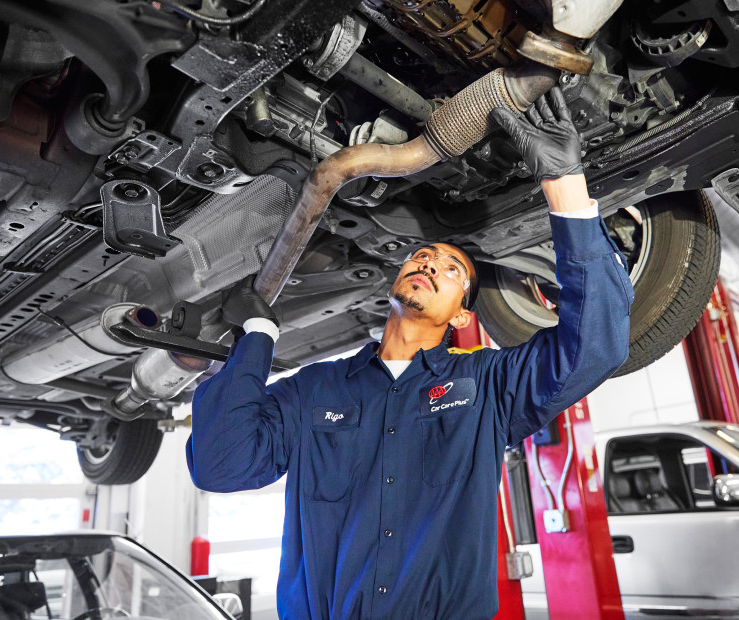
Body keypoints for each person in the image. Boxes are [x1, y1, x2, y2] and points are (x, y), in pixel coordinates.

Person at [187, 86, 634, 620]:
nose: (429, 265)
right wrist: (258, 333)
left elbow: (596, 347)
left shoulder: (487, 388)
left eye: (452, 270)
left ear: (463, 315)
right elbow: (220, 464)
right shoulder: (313, 391)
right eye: (422, 256)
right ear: (395, 282)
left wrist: (565, 186)